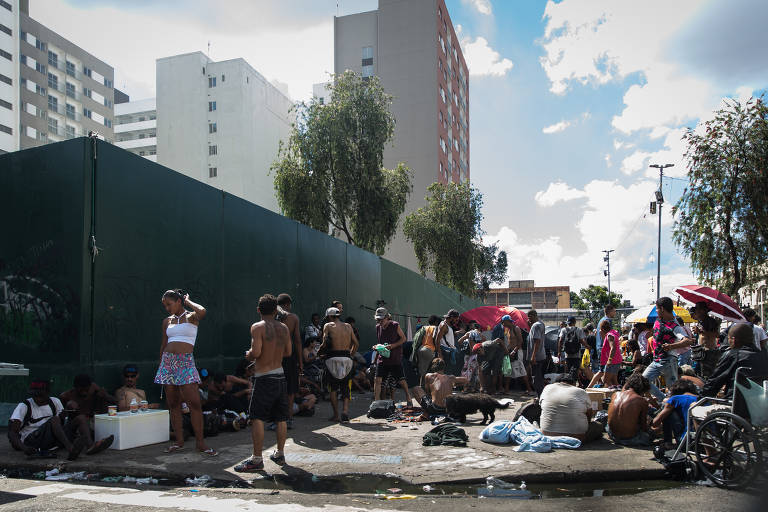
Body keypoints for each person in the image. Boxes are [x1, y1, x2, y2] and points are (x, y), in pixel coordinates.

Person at [153, 289, 216, 456]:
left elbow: (202, 311)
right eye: (165, 305)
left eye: (169, 304)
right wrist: (161, 363)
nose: (167, 308)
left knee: (194, 403)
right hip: (168, 362)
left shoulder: (191, 317)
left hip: (185, 362)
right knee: (173, 404)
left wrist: (188, 301)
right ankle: (179, 442)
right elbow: (163, 343)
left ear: (178, 301)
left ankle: (200, 443)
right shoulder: (167, 321)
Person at [235, 294, 292, 472]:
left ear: (259, 310)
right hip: (280, 376)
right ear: (276, 310)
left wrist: (248, 354)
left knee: (257, 417)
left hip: (264, 377)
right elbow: (288, 352)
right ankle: (280, 453)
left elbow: (257, 352)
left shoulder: (257, 327)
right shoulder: (283, 328)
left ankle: (257, 459)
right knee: (281, 417)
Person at [8, 379, 113, 459]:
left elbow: (62, 424)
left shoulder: (55, 402)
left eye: (40, 394)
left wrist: (66, 415)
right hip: (32, 440)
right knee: (54, 419)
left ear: (47, 392)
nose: (37, 398)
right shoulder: (24, 406)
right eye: (34, 395)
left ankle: (90, 446)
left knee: (80, 418)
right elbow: (12, 432)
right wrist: (24, 448)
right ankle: (71, 449)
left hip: (51, 439)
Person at [642, 297, 694, 402]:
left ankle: (673, 408)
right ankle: (664, 400)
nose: (656, 311)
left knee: (673, 391)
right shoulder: (658, 320)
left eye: (657, 309)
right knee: (643, 381)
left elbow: (688, 341)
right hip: (657, 360)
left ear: (661, 309)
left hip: (668, 361)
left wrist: (671, 346)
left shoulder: (674, 326)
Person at [701, 322, 768, 398]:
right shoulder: (763, 355)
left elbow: (714, 383)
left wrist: (700, 399)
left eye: (728, 339)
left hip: (738, 404)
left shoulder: (733, 355)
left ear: (733, 339)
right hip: (762, 403)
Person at [539, 374, 603, 443]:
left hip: (547, 435)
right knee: (598, 426)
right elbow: (589, 413)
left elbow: (542, 407)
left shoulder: (547, 388)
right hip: (577, 437)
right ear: (574, 383)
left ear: (556, 382)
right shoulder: (581, 392)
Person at [321, 306, 358, 422]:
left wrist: (319, 353)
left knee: (333, 388)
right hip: (347, 359)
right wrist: (351, 355)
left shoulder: (328, 326)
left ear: (330, 316)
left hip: (332, 358)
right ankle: (345, 411)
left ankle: (336, 415)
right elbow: (356, 343)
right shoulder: (348, 326)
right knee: (345, 386)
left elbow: (324, 343)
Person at [373, 308, 411, 403]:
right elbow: (380, 343)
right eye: (378, 319)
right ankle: (376, 402)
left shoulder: (395, 325)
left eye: (381, 319)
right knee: (377, 380)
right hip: (383, 358)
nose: (380, 321)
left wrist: (392, 346)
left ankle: (408, 397)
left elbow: (403, 339)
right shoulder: (378, 327)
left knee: (401, 380)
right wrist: (377, 349)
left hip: (394, 358)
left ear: (387, 317)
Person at [276, 293, 302, 430]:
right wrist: (301, 362)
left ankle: (276, 419)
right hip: (289, 356)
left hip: (274, 356)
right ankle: (288, 419)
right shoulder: (293, 318)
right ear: (287, 304)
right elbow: (297, 340)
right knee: (291, 389)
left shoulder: (270, 317)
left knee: (275, 387)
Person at [606, 373, 652, 446]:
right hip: (630, 439)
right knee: (655, 430)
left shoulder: (615, 394)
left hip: (613, 435)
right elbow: (644, 427)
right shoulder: (642, 401)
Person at [652, 379, 699, 450]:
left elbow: (655, 423)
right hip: (702, 442)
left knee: (668, 412)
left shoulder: (676, 398)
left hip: (685, 442)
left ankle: (667, 442)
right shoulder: (701, 399)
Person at [691, 302, 722, 377]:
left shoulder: (710, 321)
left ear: (703, 311)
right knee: (699, 374)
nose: (696, 313)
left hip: (709, 352)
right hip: (701, 352)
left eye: (697, 310)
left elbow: (716, 334)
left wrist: (700, 331)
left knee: (707, 376)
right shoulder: (700, 322)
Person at [588, 320, 621, 388]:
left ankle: (611, 395)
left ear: (602, 329)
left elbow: (613, 348)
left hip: (612, 361)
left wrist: (609, 360)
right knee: (614, 381)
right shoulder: (613, 333)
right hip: (616, 360)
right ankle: (619, 393)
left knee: (606, 381)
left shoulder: (610, 336)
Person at [527, 310, 547, 397]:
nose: (528, 319)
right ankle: (541, 396)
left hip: (537, 357)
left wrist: (533, 356)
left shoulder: (536, 325)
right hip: (540, 355)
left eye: (529, 316)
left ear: (534, 316)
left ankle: (540, 397)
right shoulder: (540, 324)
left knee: (536, 379)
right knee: (538, 378)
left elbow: (537, 341)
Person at [434, 310, 461, 374]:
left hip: (449, 354)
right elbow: (437, 340)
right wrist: (440, 355)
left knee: (449, 374)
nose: (457, 322)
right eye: (456, 320)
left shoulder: (448, 326)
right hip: (445, 354)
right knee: (446, 374)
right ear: (451, 317)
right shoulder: (444, 325)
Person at [594, 305, 616, 371]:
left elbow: (596, 333)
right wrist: (608, 344)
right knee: (605, 370)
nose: (615, 313)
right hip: (604, 348)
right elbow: (604, 333)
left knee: (602, 370)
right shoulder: (608, 320)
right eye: (614, 311)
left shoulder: (601, 320)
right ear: (610, 311)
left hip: (599, 347)